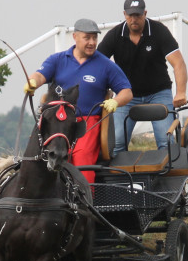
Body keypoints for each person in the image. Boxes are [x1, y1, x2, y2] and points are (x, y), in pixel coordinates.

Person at [25, 18, 133, 183]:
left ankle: (84, 200)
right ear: (75, 37)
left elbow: (127, 92)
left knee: (81, 156)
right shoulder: (58, 60)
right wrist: (33, 82)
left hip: (88, 122)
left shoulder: (105, 65)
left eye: (94, 38)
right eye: (87, 38)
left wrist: (116, 101)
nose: (91, 42)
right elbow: (40, 75)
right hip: (59, 122)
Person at [97, 0, 188, 156]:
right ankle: (119, 179)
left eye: (138, 15)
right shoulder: (114, 35)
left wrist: (181, 92)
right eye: (131, 15)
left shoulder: (159, 31)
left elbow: (178, 63)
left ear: (145, 13)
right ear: (124, 14)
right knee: (116, 141)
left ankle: (168, 177)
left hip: (158, 93)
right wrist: (102, 91)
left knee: (165, 140)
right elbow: (97, 66)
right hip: (127, 95)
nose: (134, 19)